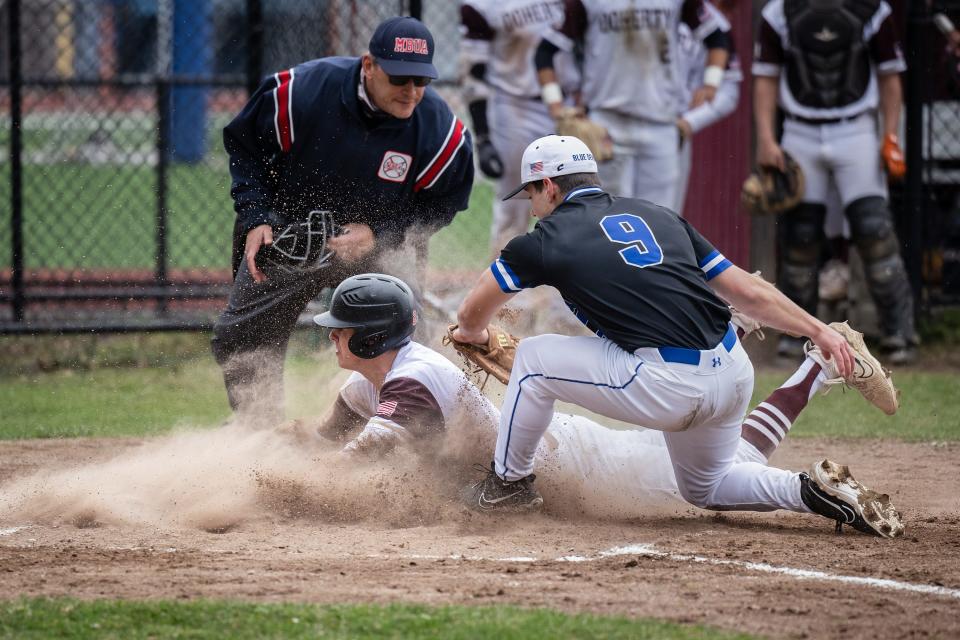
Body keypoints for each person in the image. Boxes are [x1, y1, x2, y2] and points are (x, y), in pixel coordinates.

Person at [450, 134, 903, 537]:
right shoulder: (658, 215)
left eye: (531, 192)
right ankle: (810, 491)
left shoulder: (541, 240)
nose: (531, 207)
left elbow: (471, 312)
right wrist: (819, 330)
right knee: (706, 486)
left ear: (548, 186)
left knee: (533, 361)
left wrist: (471, 333)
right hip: (732, 373)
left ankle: (507, 485)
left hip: (669, 385)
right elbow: (748, 289)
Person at [301, 272, 901, 535]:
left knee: (724, 470)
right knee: (723, 452)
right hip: (561, 443)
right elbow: (330, 435)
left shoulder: (414, 382)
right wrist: (284, 447)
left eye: (341, 327)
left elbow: (364, 452)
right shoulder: (370, 381)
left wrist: (288, 487)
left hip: (587, 468)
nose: (332, 335)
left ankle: (818, 365)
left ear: (372, 336)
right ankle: (758, 342)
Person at [211, 16, 474, 426]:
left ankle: (408, 441)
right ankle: (260, 438)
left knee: (405, 337)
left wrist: (380, 235)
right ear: (369, 65)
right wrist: (256, 216)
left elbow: (443, 203)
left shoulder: (441, 133)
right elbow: (247, 146)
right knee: (243, 332)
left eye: (421, 81)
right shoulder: (302, 91)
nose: (412, 92)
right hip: (291, 231)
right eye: (399, 79)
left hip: (381, 244)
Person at [753, 0, 916, 364]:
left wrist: (889, 136)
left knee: (874, 231)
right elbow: (766, 76)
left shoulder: (872, 9)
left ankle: (898, 332)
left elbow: (890, 77)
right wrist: (766, 138)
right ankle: (796, 336)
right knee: (800, 237)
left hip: (856, 128)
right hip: (799, 129)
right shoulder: (779, 12)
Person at [533, 0, 732, 206]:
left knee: (660, 218)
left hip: (661, 123)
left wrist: (711, 83)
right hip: (606, 123)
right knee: (604, 216)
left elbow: (717, 36)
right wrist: (556, 108)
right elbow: (545, 51)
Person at [459, 0, 580, 254]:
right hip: (516, 106)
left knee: (573, 200)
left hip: (569, 104)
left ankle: (560, 288)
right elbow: (474, 69)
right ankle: (506, 281)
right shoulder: (484, 5)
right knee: (515, 202)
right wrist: (483, 136)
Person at [673, 1, 742, 214]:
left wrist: (688, 122)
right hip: (609, 119)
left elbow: (728, 92)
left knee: (663, 217)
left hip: (669, 124)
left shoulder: (714, 23)